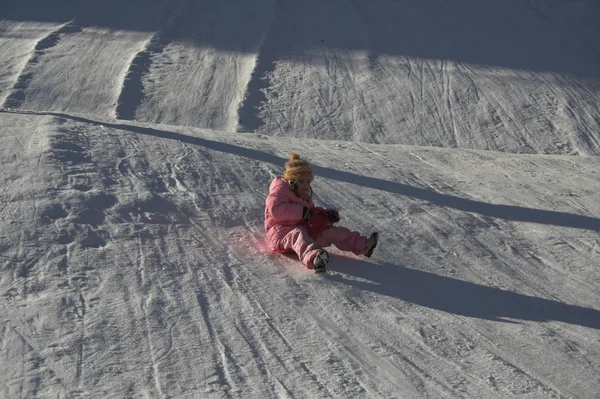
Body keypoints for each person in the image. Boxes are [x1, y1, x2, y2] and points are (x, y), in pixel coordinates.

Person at [264, 153, 378, 273]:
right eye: (302, 182)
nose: (306, 186)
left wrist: (325, 216)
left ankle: (363, 245)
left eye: (308, 182)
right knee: (298, 233)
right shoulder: (280, 189)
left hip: (303, 229)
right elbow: (276, 209)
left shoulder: (304, 195)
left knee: (328, 231)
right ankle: (314, 258)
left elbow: (311, 214)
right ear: (292, 181)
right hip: (281, 234)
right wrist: (304, 213)